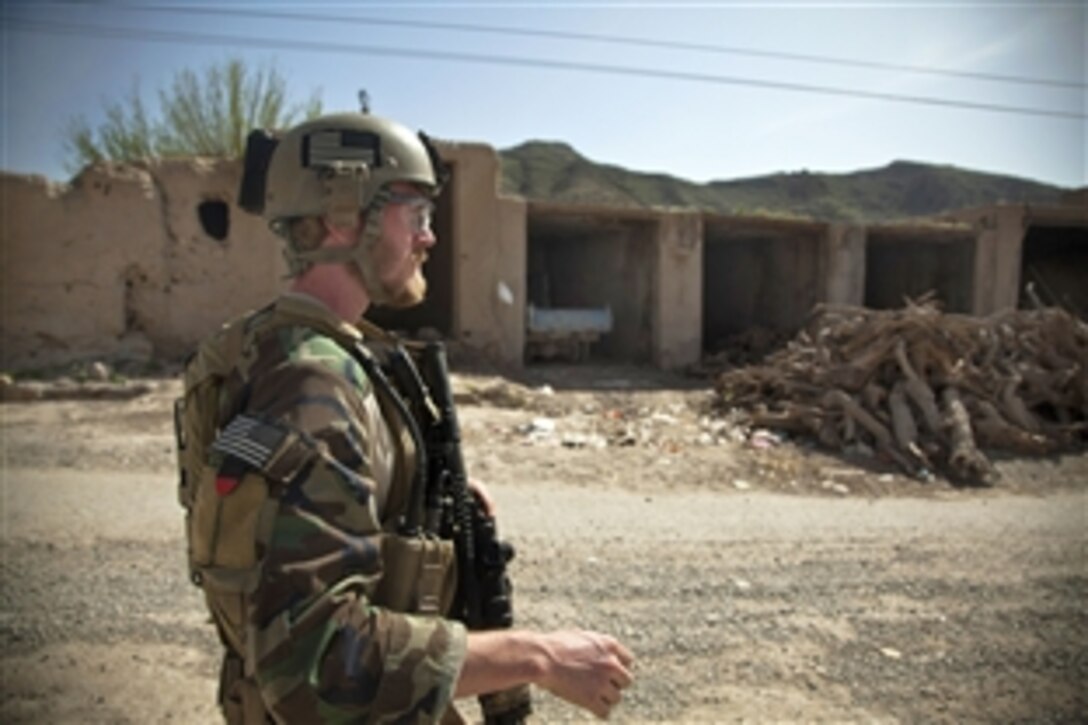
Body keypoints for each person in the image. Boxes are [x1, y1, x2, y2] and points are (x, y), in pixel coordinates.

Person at [175, 110, 634, 724]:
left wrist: (406, 497)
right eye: (416, 215)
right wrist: (536, 657)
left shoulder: (265, 347)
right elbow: (317, 667)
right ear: (344, 218)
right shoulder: (313, 382)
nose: (430, 238)